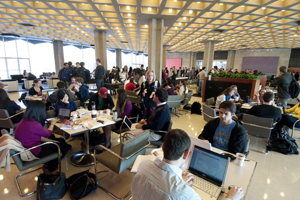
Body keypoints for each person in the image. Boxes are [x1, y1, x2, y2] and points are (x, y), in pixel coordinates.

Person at [131, 129, 245, 200]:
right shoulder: (184, 194)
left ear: (162, 148)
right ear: (186, 154)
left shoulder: (143, 165)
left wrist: (179, 181)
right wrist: (231, 198)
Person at [15, 101, 72, 173]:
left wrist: (51, 141)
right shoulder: (34, 124)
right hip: (34, 151)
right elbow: (47, 134)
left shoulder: (25, 120)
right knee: (64, 146)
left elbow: (35, 136)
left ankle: (50, 161)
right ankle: (50, 167)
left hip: (29, 146)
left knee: (59, 140)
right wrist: (52, 124)